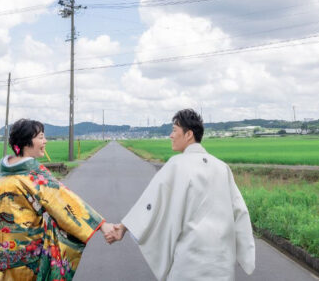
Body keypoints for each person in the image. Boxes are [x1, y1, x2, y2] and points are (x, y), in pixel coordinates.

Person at [0, 118, 118, 280]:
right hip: (25, 255)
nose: (45, 141)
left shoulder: (0, 172)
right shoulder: (35, 174)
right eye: (40, 137)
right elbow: (63, 199)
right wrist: (101, 225)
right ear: (26, 141)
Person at [110, 109, 256, 280]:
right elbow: (239, 211)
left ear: (188, 135)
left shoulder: (177, 165)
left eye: (174, 130)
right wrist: (246, 256)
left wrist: (124, 227)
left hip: (190, 264)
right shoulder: (222, 167)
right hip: (222, 265)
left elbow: (151, 203)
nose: (171, 136)